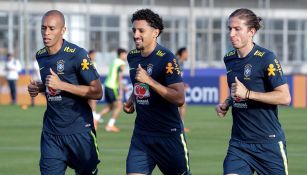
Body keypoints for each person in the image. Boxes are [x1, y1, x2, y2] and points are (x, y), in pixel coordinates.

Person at [215, 8, 291, 175]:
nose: (231, 34)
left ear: (251, 31)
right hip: (239, 143)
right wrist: (228, 102)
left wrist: (248, 94)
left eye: (237, 29)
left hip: (268, 143)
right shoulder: (229, 58)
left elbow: (285, 97)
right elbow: (238, 90)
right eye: (230, 29)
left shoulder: (266, 58)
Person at [27, 10, 102, 175]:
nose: (46, 33)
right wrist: (40, 87)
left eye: (52, 28)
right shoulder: (40, 56)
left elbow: (97, 92)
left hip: (80, 132)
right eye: (43, 28)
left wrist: (61, 85)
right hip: (51, 133)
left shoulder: (77, 54)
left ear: (63, 30)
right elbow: (53, 86)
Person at [124, 9, 191, 175]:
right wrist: (133, 98)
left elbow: (179, 97)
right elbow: (140, 82)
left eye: (141, 31)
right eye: (134, 30)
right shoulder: (132, 56)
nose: (136, 35)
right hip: (142, 136)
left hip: (168, 136)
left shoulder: (167, 58)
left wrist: (150, 81)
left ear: (155, 33)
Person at [95, 48, 127, 132]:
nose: (126, 56)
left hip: (107, 85)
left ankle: (96, 118)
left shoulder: (115, 61)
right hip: (113, 87)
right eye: (125, 54)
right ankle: (110, 125)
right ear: (121, 54)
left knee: (111, 106)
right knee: (119, 105)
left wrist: (123, 87)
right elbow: (119, 78)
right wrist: (120, 91)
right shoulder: (121, 63)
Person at [176, 47, 190, 132]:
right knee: (183, 105)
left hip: (176, 88)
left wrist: (183, 84)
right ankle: (180, 126)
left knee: (182, 105)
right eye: (187, 53)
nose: (188, 55)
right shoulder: (176, 62)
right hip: (172, 89)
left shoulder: (181, 63)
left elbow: (178, 77)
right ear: (183, 53)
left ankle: (180, 125)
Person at [87, 49, 101, 124]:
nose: (94, 56)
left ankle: (93, 114)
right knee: (92, 100)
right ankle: (93, 115)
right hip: (90, 84)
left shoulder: (93, 63)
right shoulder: (88, 63)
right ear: (90, 55)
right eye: (93, 55)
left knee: (92, 100)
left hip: (92, 84)